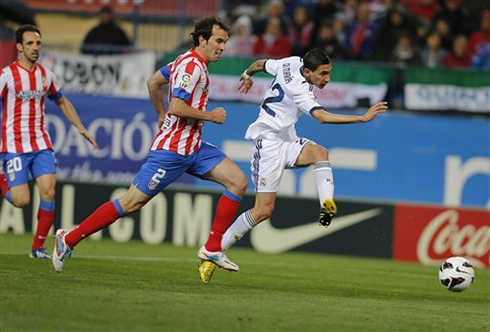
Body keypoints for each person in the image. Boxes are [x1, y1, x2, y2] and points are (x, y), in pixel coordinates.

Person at [52, 16, 248, 281]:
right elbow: (178, 107)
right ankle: (69, 238)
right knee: (131, 203)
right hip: (172, 151)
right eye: (219, 41)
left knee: (237, 181)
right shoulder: (191, 67)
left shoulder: (183, 61)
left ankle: (213, 247)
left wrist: (160, 114)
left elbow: (153, 82)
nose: (223, 47)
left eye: (225, 42)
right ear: (202, 40)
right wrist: (210, 115)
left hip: (194, 146)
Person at [198, 48, 388, 283]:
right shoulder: (299, 89)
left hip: (287, 140)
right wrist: (362, 118)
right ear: (308, 72)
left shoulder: (289, 62)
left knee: (320, 153)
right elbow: (322, 117)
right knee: (263, 211)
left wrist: (247, 75)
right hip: (267, 145)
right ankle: (212, 254)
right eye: (323, 74)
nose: (327, 78)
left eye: (329, 72)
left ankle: (327, 204)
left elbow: (259, 63)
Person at [0, 24, 99, 258]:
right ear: (19, 47)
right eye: (30, 44)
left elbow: (62, 102)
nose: (35, 48)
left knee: (49, 191)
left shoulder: (46, 75)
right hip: (14, 146)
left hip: (41, 144)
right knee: (21, 200)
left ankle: (37, 248)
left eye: (38, 43)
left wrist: (80, 127)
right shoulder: (7, 76)